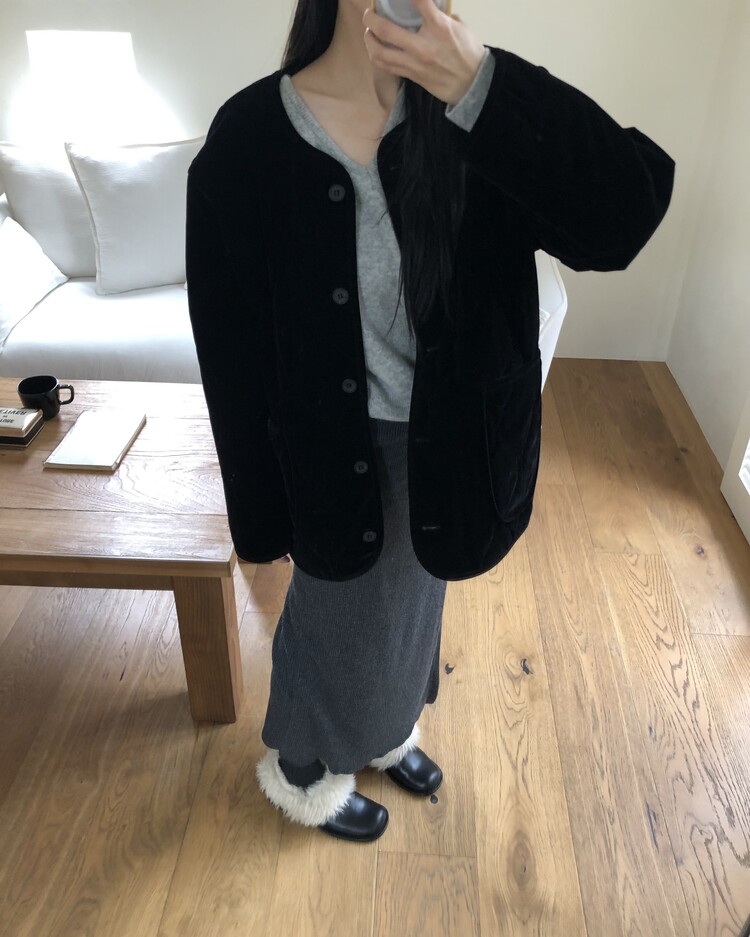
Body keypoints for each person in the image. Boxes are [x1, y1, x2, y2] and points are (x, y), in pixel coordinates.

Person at [185, 0, 675, 844]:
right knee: (337, 619)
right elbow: (227, 348)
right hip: (331, 449)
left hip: (451, 439)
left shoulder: (475, 112)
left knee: (415, 601)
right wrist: (261, 518)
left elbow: (624, 214)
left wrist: (484, 85)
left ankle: (386, 729)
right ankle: (303, 766)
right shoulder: (250, 141)